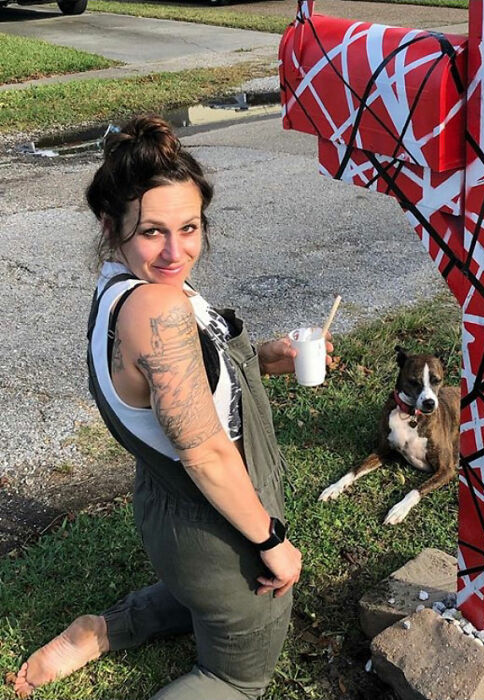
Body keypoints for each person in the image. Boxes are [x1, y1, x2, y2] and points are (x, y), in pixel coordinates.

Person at [14, 114, 332, 700]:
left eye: (188, 227)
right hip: (216, 529)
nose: (175, 251)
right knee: (236, 676)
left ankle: (103, 630)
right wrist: (271, 542)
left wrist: (265, 358)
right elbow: (208, 452)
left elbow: (185, 384)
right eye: (152, 231)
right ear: (112, 228)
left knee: (201, 598)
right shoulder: (156, 310)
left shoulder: (125, 287)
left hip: (171, 521)